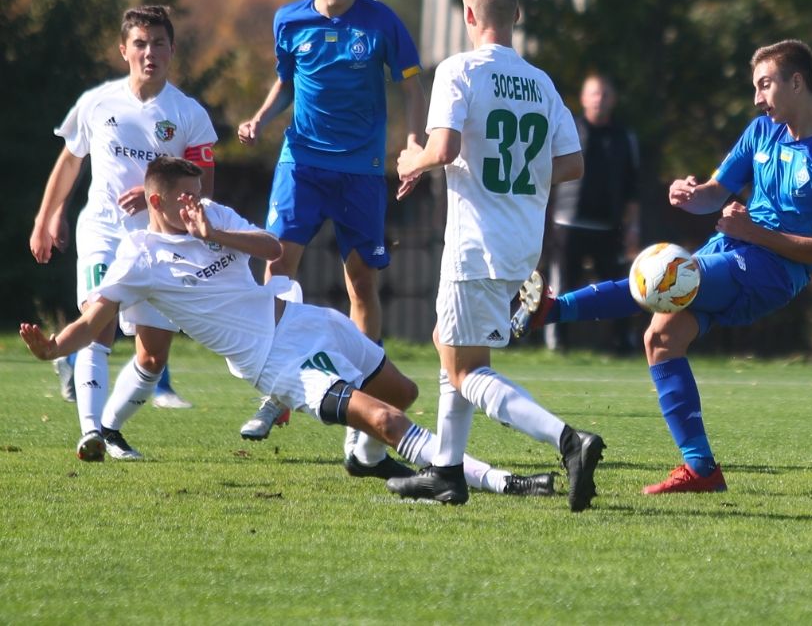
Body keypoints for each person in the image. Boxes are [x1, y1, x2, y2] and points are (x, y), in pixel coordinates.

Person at [21, 156, 557, 499]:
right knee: (389, 420)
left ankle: (361, 460)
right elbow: (94, 320)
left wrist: (217, 234)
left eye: (198, 193)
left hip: (307, 320)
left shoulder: (213, 215)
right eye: (185, 198)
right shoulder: (137, 258)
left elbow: (275, 249)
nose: (196, 203)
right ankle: (496, 482)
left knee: (405, 392)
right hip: (275, 360)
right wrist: (53, 350)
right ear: (155, 202)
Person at [512, 39, 812, 494]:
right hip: (729, 250)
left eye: (765, 85)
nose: (756, 98)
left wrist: (754, 233)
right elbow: (717, 191)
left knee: (663, 273)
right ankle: (701, 469)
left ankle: (553, 311)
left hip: (770, 274)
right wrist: (692, 196)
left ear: (797, 82)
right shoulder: (761, 133)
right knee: (661, 338)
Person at [390, 0, 606, 509]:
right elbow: (573, 163)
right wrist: (520, 174)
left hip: (475, 242)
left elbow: (443, 149)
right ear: (517, 15)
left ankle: (569, 440)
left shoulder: (458, 70)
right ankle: (447, 471)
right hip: (521, 241)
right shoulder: (541, 82)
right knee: (451, 344)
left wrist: (411, 160)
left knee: (466, 368)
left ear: (467, 15)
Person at [236, 0, 426, 457]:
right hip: (301, 163)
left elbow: (413, 85)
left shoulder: (382, 21)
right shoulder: (289, 20)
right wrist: (259, 118)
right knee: (277, 268)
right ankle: (278, 391)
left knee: (361, 283)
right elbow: (288, 82)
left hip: (361, 172)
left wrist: (414, 141)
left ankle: (365, 392)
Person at [29, 6, 217, 462]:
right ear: (123, 50)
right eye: (139, 43)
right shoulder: (98, 102)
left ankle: (110, 429)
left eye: (158, 43)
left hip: (158, 241)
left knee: (153, 357)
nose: (149, 52)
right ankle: (89, 431)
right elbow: (71, 159)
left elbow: (203, 189)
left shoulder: (188, 114)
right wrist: (46, 217)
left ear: (172, 50)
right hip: (104, 231)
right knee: (99, 321)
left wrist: (156, 192)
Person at [542, 74, 640, 352]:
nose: (600, 99)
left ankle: (623, 344)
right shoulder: (568, 130)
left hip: (608, 227)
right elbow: (547, 174)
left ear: (614, 99)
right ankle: (557, 343)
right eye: (594, 93)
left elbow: (633, 188)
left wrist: (632, 227)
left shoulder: (624, 137)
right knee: (562, 286)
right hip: (568, 224)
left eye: (605, 94)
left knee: (619, 287)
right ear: (584, 98)